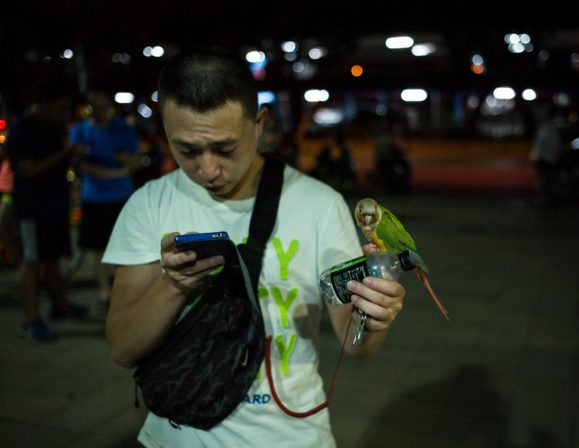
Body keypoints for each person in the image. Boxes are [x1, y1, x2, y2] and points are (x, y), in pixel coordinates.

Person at [103, 47, 407, 447]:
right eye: (188, 151)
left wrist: (374, 315)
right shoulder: (149, 204)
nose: (208, 170)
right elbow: (123, 349)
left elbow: (354, 342)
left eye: (225, 149)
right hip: (175, 433)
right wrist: (173, 285)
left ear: (259, 122)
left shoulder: (319, 205)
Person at [5, 79, 90, 342]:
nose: (64, 112)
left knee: (53, 258)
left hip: (54, 205)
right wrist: (64, 154)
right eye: (61, 107)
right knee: (31, 262)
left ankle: (59, 305)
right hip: (31, 208)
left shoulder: (52, 126)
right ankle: (30, 319)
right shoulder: (22, 129)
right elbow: (28, 170)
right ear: (43, 104)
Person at [68, 87, 140, 317]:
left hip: (121, 197)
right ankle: (104, 292)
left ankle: (125, 292)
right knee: (98, 249)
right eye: (95, 106)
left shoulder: (122, 128)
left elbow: (135, 161)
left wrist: (122, 163)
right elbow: (79, 164)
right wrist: (116, 170)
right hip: (94, 197)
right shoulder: (80, 131)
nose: (100, 111)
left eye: (104, 106)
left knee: (124, 246)